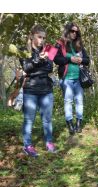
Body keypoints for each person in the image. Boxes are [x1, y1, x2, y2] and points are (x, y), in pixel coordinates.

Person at [19, 24, 55, 157]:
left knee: (47, 119)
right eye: (39, 37)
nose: (42, 40)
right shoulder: (24, 51)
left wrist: (35, 66)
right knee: (29, 119)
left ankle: (49, 142)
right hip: (30, 89)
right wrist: (39, 59)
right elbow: (26, 67)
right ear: (32, 36)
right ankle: (28, 145)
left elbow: (49, 68)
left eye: (44, 38)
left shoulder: (48, 50)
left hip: (46, 89)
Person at [54, 22, 90, 135]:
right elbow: (56, 59)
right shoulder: (60, 44)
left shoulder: (79, 45)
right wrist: (70, 60)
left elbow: (87, 60)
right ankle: (70, 124)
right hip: (66, 79)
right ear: (67, 31)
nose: (74, 33)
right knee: (68, 101)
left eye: (76, 32)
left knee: (79, 101)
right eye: (72, 31)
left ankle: (78, 123)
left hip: (78, 79)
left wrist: (81, 60)